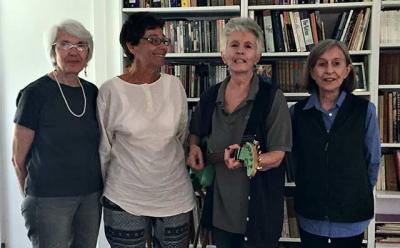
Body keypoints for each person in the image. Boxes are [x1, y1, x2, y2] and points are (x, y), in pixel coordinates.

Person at [187, 17, 292, 248]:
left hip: (259, 209)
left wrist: (249, 160)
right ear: (223, 54)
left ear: (257, 56)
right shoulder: (210, 96)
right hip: (221, 208)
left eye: (248, 46)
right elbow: (195, 132)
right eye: (234, 45)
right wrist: (194, 147)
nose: (240, 52)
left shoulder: (272, 98)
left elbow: (278, 155)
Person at [97, 12, 195, 248]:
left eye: (164, 40)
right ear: (131, 46)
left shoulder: (174, 85)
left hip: (174, 195)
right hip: (125, 196)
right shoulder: (110, 90)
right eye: (153, 40)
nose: (162, 46)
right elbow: (104, 148)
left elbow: (180, 135)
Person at [12, 19, 103, 248]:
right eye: (64, 44)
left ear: (88, 52)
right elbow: (18, 158)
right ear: (53, 50)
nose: (73, 51)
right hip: (48, 198)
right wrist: (33, 197)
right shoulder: (34, 94)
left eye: (81, 45)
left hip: (91, 196)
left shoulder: (92, 92)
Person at [291, 39, 381, 248]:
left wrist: (354, 191)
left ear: (348, 69)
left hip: (352, 214)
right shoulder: (297, 113)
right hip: (310, 213)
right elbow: (294, 159)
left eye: (336, 63)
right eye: (321, 64)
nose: (329, 70)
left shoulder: (365, 110)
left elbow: (372, 161)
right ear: (312, 71)